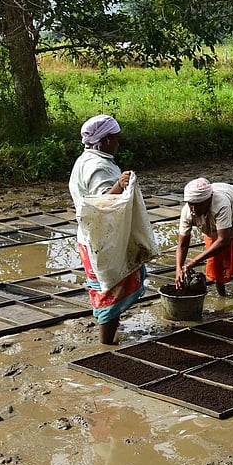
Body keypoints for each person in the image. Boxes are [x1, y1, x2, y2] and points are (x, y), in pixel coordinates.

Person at [68, 114, 147, 344]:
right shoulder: (97, 167)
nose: (118, 144)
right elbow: (101, 206)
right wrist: (119, 186)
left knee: (109, 287)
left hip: (94, 237)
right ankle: (106, 344)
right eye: (115, 139)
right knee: (110, 290)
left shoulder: (86, 160)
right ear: (105, 140)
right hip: (104, 240)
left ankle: (109, 339)